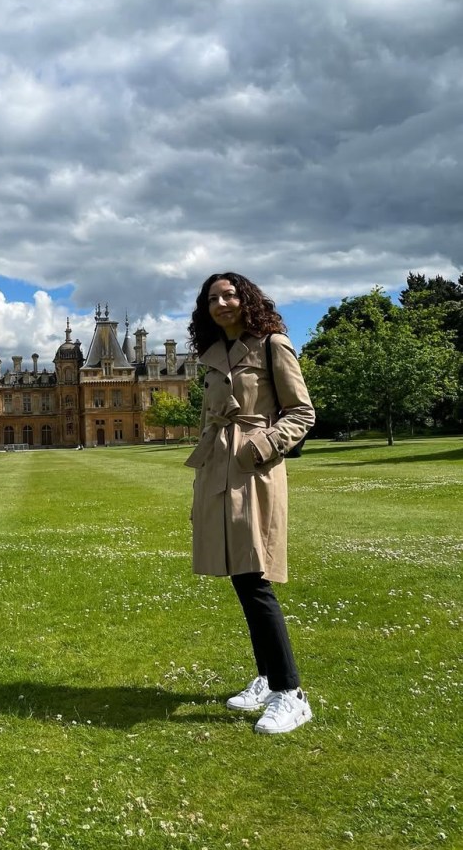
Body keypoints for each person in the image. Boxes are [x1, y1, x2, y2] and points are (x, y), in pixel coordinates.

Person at [185, 272, 316, 734]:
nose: (221, 302)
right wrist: (200, 486)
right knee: (241, 580)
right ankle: (265, 677)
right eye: (212, 297)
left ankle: (291, 692)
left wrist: (263, 445)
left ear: (247, 298)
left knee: (255, 579)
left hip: (254, 470)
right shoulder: (213, 357)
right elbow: (208, 424)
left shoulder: (272, 344)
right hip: (216, 473)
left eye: (230, 294)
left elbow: (302, 412)